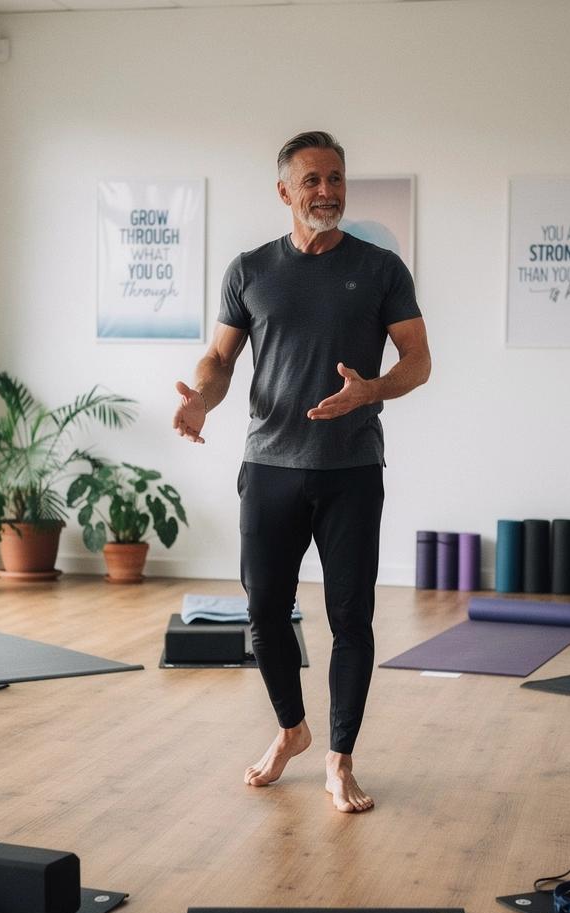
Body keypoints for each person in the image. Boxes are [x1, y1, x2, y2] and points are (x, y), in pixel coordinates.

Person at [173, 130, 430, 812]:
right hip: (270, 467)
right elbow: (219, 360)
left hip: (351, 469)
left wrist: (371, 390)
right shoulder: (250, 270)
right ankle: (292, 730)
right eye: (312, 180)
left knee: (351, 618)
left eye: (336, 178)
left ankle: (340, 761)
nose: (326, 191)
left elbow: (418, 361)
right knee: (263, 612)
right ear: (284, 190)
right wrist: (201, 399)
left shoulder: (380, 269)